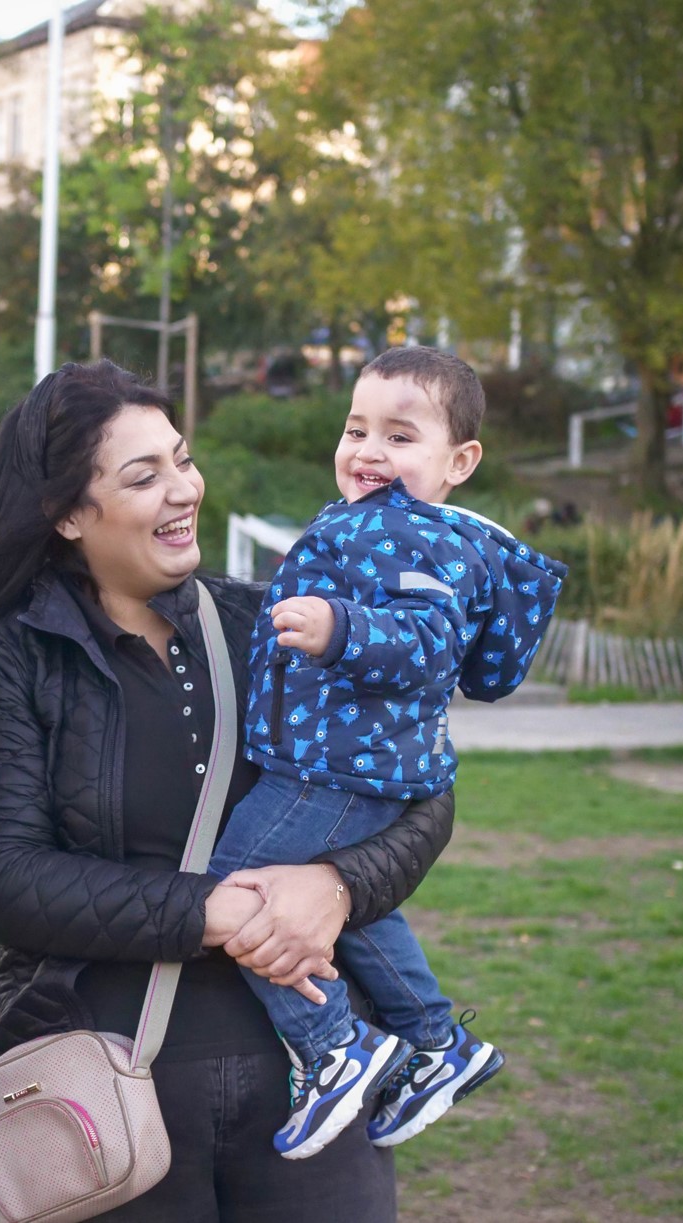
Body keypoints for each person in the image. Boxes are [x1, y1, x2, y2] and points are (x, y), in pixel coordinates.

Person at [0, 360, 456, 1222]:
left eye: (182, 458)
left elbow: (424, 789)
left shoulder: (273, 622)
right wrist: (216, 913)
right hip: (107, 1094)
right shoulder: (8, 658)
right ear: (66, 513)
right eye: (144, 475)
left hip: (314, 1078)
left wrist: (338, 886)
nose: (184, 490)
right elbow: (0, 873)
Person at [206, 346, 567, 1160]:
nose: (368, 450)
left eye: (400, 436)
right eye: (356, 427)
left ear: (459, 461)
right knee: (366, 911)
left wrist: (341, 630)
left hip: (336, 767)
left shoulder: (421, 538)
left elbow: (430, 643)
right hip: (350, 759)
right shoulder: (379, 524)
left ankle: (334, 1044)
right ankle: (436, 1041)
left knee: (234, 887)